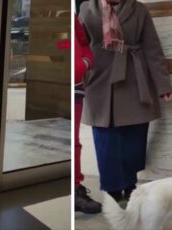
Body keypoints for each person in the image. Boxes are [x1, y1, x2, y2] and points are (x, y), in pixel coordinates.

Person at [78, 0, 172, 202]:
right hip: (100, 79)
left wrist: (163, 85)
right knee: (105, 139)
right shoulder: (87, 8)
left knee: (133, 137)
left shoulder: (138, 9)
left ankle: (130, 185)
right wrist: (81, 67)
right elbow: (78, 43)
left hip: (133, 78)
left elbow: (152, 48)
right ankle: (111, 188)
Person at [74, 14, 102, 214]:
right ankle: (74, 189)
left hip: (76, 87)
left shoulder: (72, 15)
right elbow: (61, 43)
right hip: (61, 82)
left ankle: (75, 189)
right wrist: (77, 64)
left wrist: (85, 62)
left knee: (74, 142)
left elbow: (83, 41)